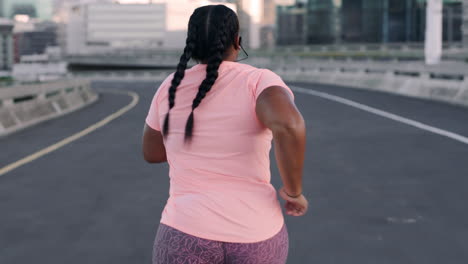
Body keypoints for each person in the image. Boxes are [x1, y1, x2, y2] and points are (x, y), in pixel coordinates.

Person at [142, 4, 308, 264]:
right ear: (237, 41)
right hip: (256, 232)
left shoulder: (170, 87)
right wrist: (293, 192)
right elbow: (289, 125)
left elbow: (152, 153)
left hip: (186, 229)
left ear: (191, 43)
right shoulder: (259, 81)